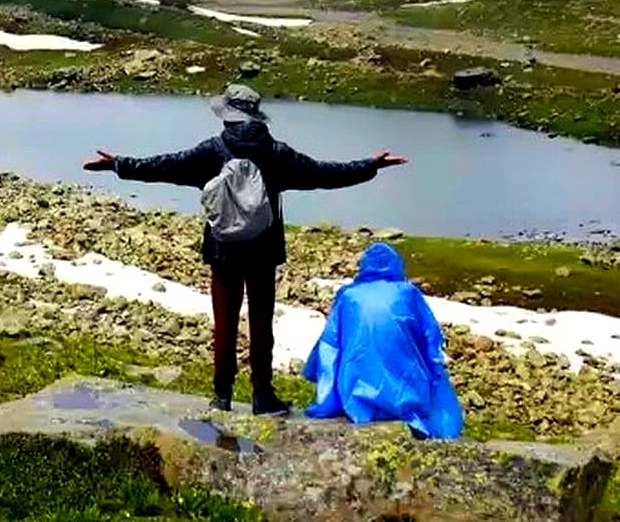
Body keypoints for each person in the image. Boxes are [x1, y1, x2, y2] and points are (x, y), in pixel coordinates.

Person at [84, 82, 407, 416]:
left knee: (224, 324)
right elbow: (324, 173)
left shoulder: (212, 150)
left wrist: (118, 164)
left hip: (223, 251)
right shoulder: (277, 153)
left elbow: (165, 166)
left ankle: (221, 395)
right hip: (263, 253)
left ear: (228, 116)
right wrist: (371, 165)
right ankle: (262, 396)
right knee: (261, 324)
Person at [302, 241, 463, 439]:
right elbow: (431, 339)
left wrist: (317, 382)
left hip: (355, 395)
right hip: (406, 393)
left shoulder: (349, 296)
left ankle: (367, 401)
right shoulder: (408, 293)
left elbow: (329, 346)